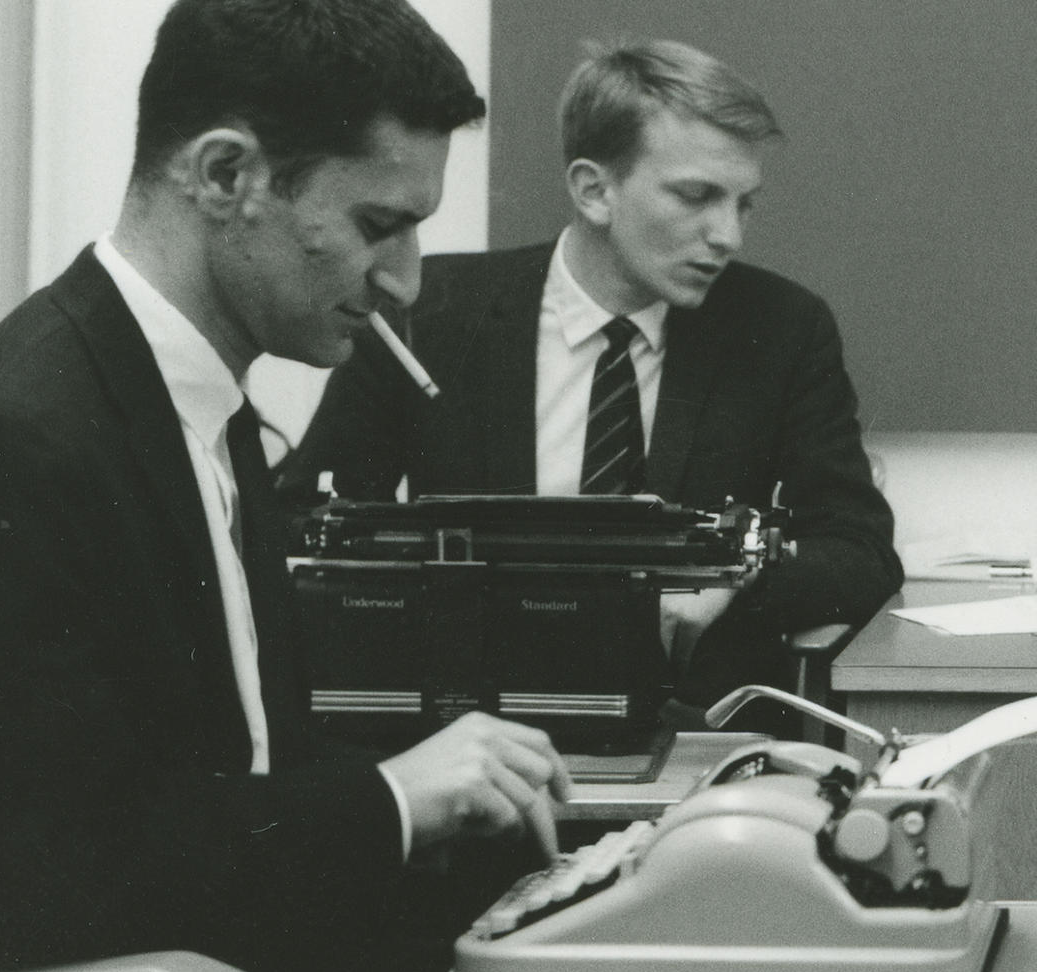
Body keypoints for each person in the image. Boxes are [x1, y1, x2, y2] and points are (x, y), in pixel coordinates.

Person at [0, 0, 574, 972]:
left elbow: (241, 777)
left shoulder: (196, 408)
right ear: (225, 177)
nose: (405, 282)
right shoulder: (23, 433)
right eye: (376, 226)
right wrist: (396, 798)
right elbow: (58, 872)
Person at [282, 41, 902, 710]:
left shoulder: (780, 328)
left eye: (743, 204)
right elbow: (297, 522)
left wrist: (736, 580)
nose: (727, 235)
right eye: (696, 197)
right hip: (466, 725)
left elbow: (859, 550)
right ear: (594, 190)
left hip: (695, 729)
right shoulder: (426, 316)